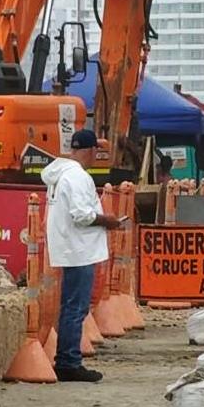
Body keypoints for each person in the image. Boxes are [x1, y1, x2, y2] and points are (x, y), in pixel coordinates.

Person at [42, 130, 127, 383]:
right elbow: (82, 215)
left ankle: (67, 359)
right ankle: (68, 361)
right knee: (75, 308)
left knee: (71, 305)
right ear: (90, 151)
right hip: (79, 250)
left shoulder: (59, 175)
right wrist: (108, 221)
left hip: (69, 247)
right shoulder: (78, 177)